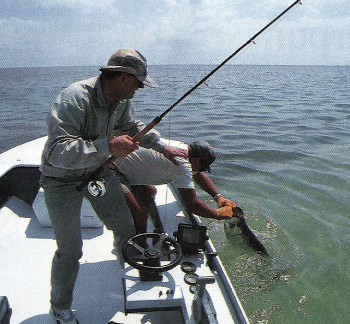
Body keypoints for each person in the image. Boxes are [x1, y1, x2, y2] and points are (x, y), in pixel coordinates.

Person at [40, 49, 187, 324]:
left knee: (126, 226)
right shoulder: (74, 99)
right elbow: (56, 152)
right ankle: (59, 307)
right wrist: (107, 146)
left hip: (99, 173)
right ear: (122, 77)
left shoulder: (120, 100)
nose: (140, 89)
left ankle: (127, 266)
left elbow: (131, 126)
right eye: (138, 83)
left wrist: (162, 146)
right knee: (70, 249)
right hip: (61, 180)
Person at [114, 139, 240, 234]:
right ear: (196, 160)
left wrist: (218, 197)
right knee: (140, 211)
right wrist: (217, 214)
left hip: (125, 168)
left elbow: (198, 175)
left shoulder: (183, 149)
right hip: (112, 170)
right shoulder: (182, 163)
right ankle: (140, 246)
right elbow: (191, 203)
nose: (202, 171)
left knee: (150, 191)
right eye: (203, 167)